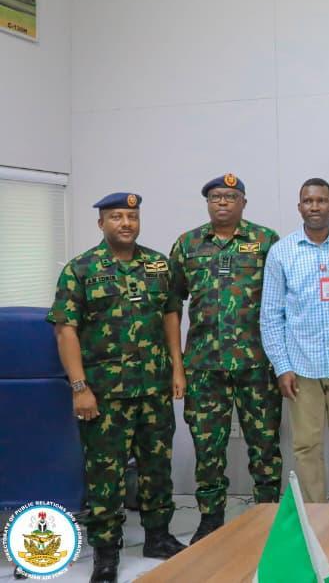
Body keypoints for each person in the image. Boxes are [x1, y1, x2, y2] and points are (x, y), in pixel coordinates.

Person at [48, 193, 186, 583]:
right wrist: (79, 388)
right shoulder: (81, 269)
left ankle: (158, 537)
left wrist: (177, 369)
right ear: (101, 224)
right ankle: (106, 554)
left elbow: (170, 315)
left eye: (131, 216)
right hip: (104, 394)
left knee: (157, 468)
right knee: (104, 475)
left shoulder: (158, 264)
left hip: (154, 388)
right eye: (116, 217)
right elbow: (65, 331)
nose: (126, 223)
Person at [168, 174, 282, 544]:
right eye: (216, 196)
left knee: (265, 446)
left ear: (243, 202)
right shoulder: (187, 244)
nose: (222, 202)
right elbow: (172, 305)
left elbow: (283, 300)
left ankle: (269, 516)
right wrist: (178, 365)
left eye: (230, 197)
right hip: (204, 366)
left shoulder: (266, 241)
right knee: (208, 447)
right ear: (207, 202)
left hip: (257, 364)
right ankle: (210, 520)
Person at [260, 178, 329, 504]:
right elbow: (270, 316)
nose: (314, 207)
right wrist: (282, 366)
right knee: (306, 445)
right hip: (301, 368)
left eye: (321, 200)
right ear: (299, 207)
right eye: (308, 201)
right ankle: (316, 515)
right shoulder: (282, 252)